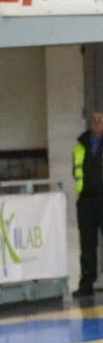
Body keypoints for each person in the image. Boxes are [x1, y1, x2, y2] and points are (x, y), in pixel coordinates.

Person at [72, 109, 103, 298]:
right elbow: (75, 171)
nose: (98, 122)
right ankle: (86, 284)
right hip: (86, 201)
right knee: (87, 245)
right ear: (90, 122)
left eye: (102, 119)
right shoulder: (80, 145)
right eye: (95, 119)